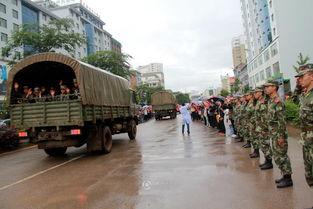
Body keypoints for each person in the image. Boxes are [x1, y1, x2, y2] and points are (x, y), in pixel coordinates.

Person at [264, 80, 293, 188]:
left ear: (274, 88)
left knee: (282, 156)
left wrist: (281, 136)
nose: (266, 89)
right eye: (265, 87)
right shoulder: (271, 101)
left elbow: (281, 121)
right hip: (273, 133)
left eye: (268, 87)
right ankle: (284, 175)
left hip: (279, 134)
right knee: (277, 155)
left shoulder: (278, 101)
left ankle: (288, 178)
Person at [294, 64, 313, 191]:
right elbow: (295, 99)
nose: (299, 79)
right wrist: (297, 86)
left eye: (302, 76)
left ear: (311, 76)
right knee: (309, 172)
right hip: (306, 139)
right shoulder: (305, 95)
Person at [254, 86, 273, 170]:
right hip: (260, 127)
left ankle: (269, 162)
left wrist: (265, 129)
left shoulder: (264, 102)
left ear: (261, 93)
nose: (254, 94)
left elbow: (265, 116)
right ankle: (266, 160)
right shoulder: (259, 101)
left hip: (263, 127)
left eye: (256, 92)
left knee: (266, 144)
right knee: (263, 145)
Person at [246, 91, 259, 158]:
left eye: (247, 95)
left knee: (255, 137)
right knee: (253, 137)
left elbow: (251, 112)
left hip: (254, 122)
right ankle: (255, 151)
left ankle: (257, 152)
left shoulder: (254, 102)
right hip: (251, 122)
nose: (246, 97)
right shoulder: (250, 102)